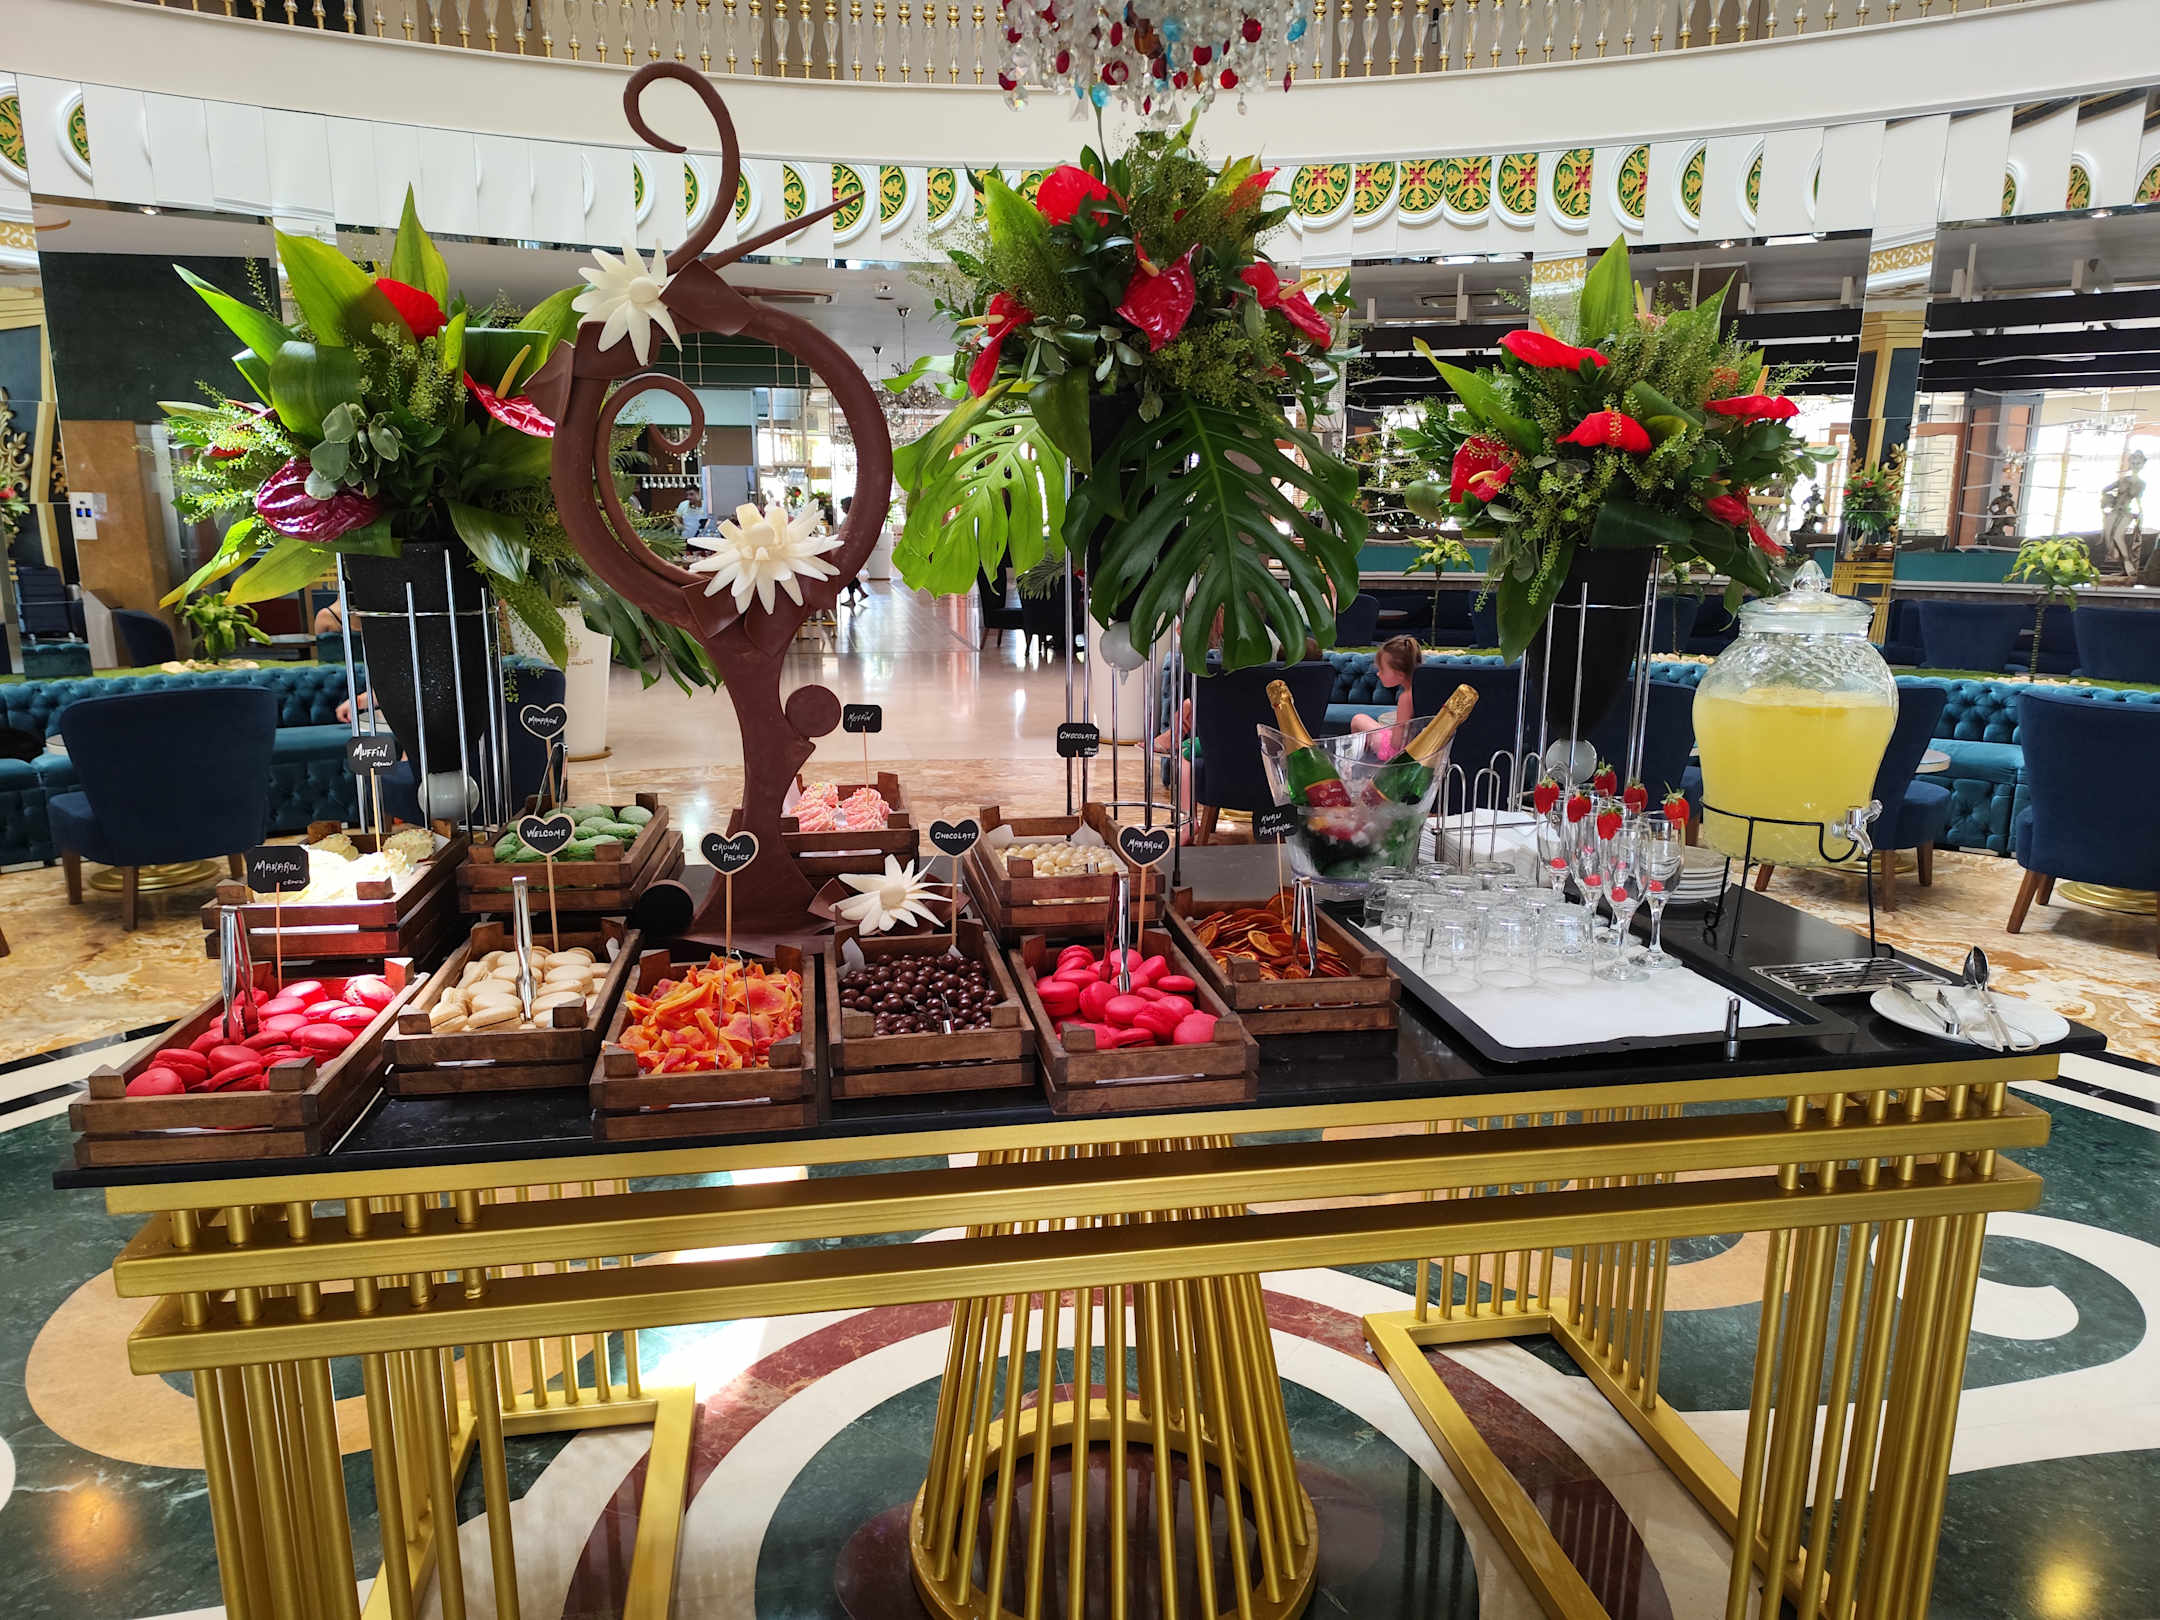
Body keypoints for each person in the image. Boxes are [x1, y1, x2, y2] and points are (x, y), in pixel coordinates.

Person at [1348, 636, 1420, 759]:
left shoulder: (1406, 698)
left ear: (1399, 674)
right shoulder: (1419, 691)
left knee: (1358, 719)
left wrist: (1389, 733)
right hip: (1416, 750)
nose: (1378, 674)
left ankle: (1354, 761)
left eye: (1382, 670)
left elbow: (1396, 743)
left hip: (1396, 755)